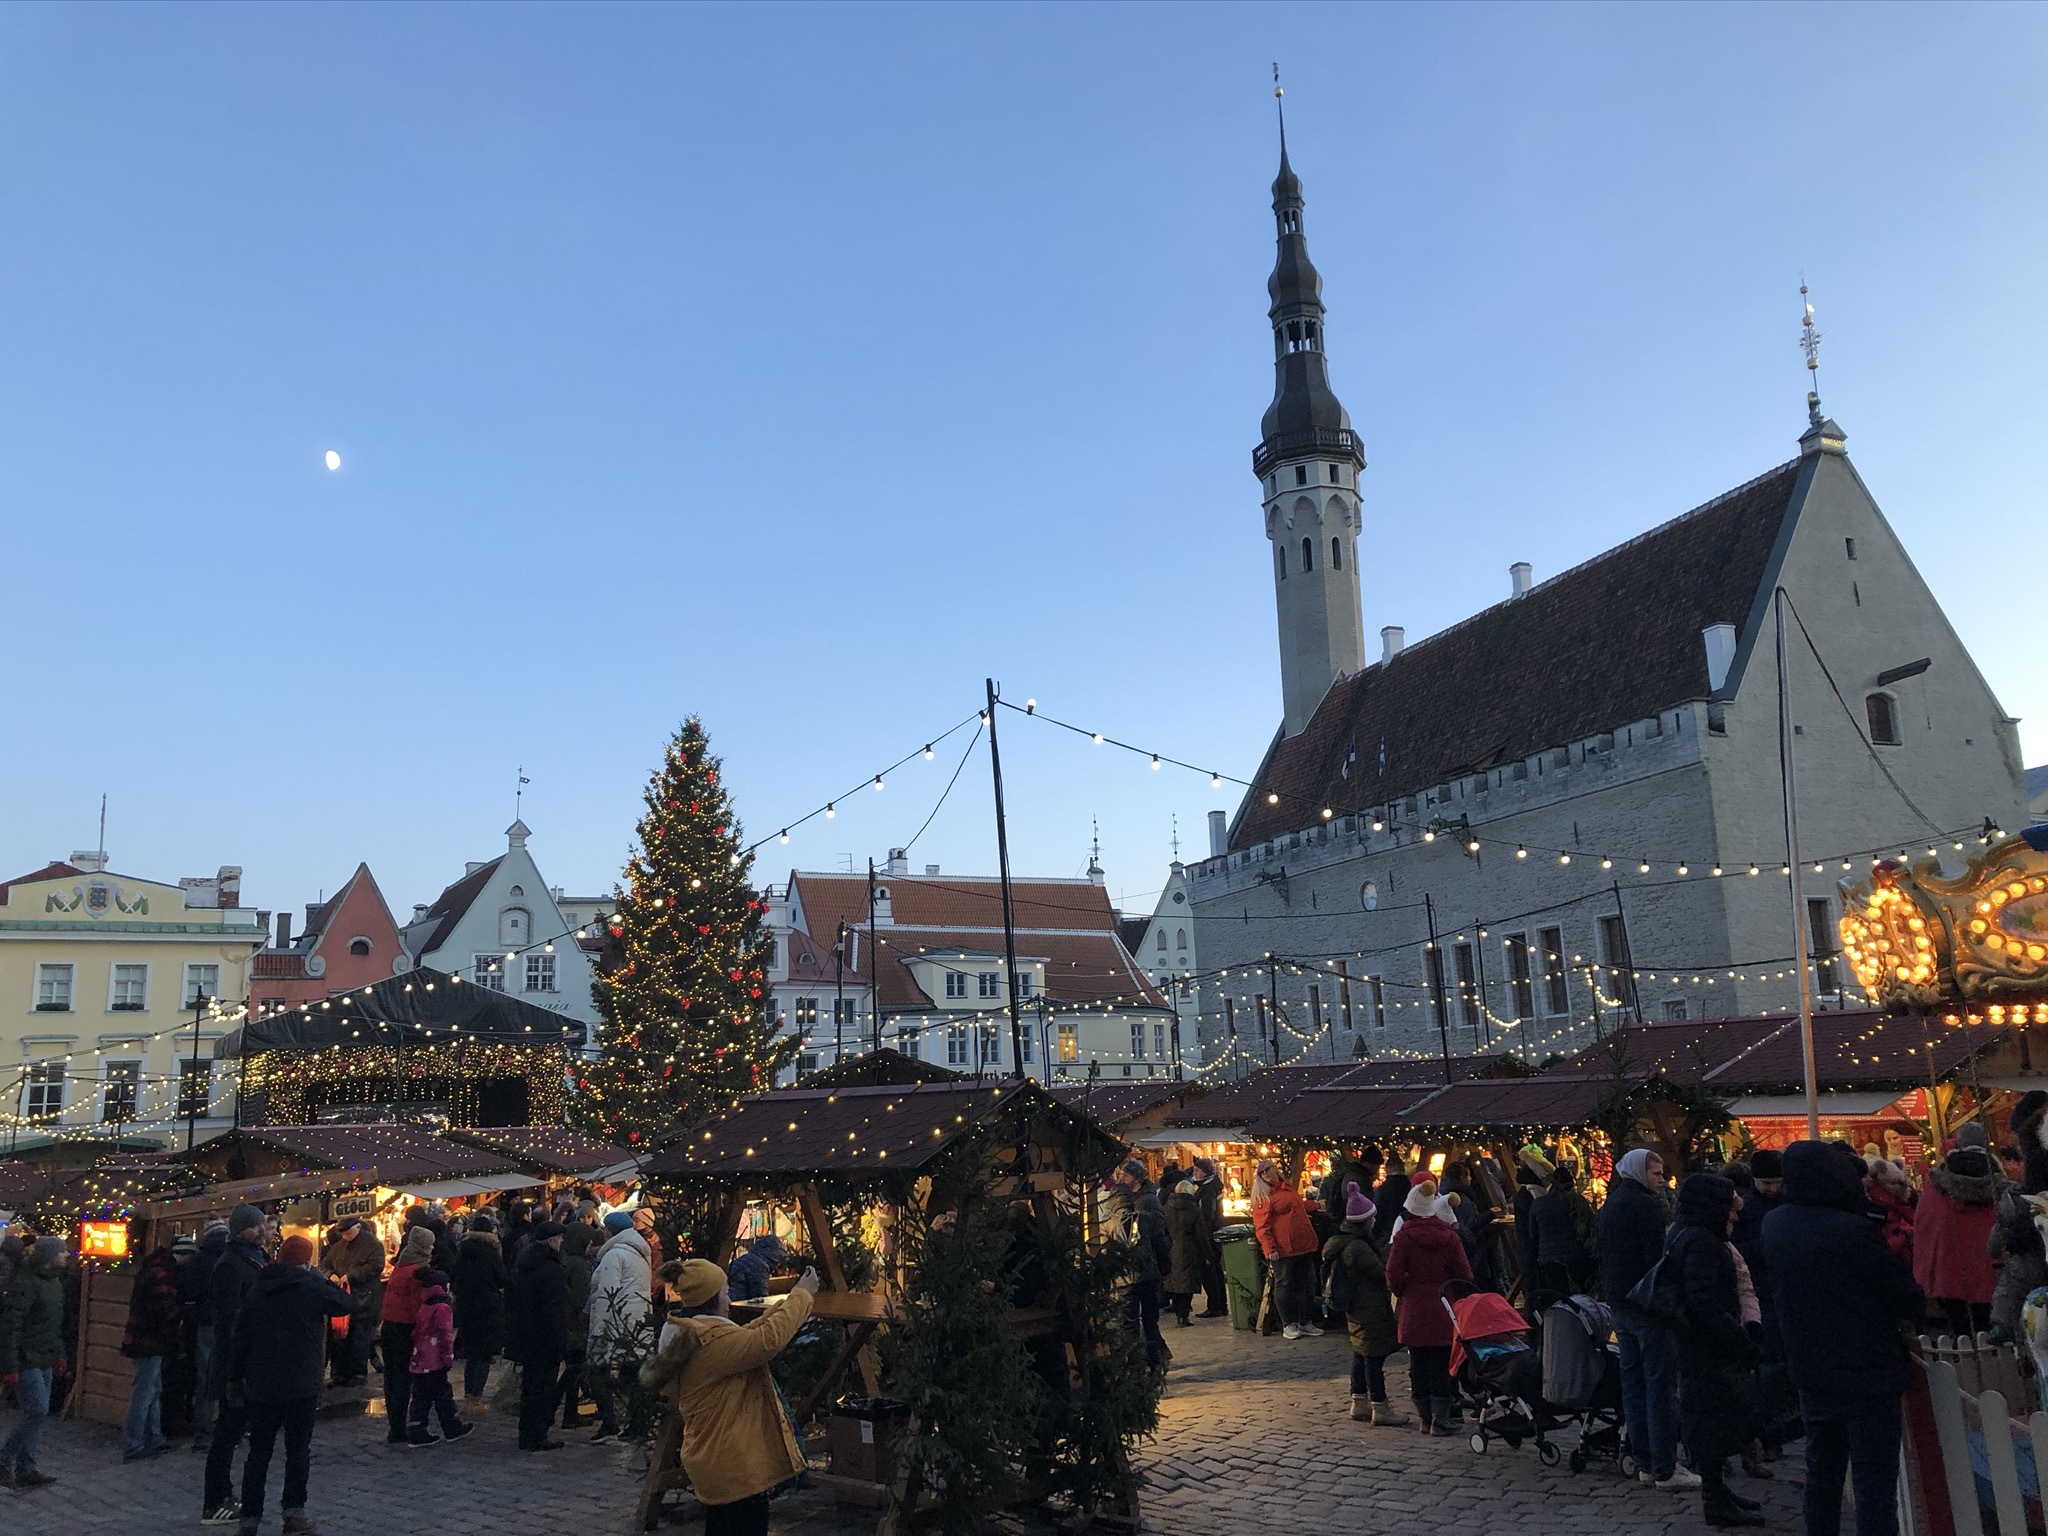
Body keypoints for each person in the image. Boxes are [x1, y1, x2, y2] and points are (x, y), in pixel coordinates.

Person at [1763, 1139, 1925, 1536]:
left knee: (1823, 1469)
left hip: (1810, 1365)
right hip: (1865, 1368)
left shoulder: (1776, 1223)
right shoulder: (1850, 1229)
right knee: (1873, 1482)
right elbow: (1903, 1294)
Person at [643, 1259, 821, 1536]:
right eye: (725, 1293)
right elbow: (765, 1341)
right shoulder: (711, 1341)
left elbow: (746, 1334)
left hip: (713, 1462)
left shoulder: (689, 1333)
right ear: (713, 1299)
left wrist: (784, 1305)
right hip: (734, 1466)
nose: (729, 1299)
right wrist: (802, 1294)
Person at [229, 1233, 352, 1536]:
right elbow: (344, 1303)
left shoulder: (259, 1285)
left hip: (262, 1380)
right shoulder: (311, 1286)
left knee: (258, 1453)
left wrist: (235, 1376)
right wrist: (318, 1277)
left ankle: (250, 1520)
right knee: (298, 1451)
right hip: (300, 1382)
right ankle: (294, 1514)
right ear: (305, 1260)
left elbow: (241, 1335)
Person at [1667, 1173, 1764, 1528]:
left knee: (1715, 1419)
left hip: (1701, 1346)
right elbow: (1702, 1301)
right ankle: (1714, 1499)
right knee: (1710, 1422)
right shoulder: (1701, 1240)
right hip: (1706, 1349)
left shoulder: (1689, 1233)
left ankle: (1719, 1492)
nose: (1735, 1212)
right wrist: (1737, 1339)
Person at [1598, 1147, 1691, 1491]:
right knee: (1658, 1385)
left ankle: (1645, 1462)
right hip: (1645, 1305)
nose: (1661, 1180)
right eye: (1655, 1173)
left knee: (1633, 1385)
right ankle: (1665, 1465)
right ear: (1640, 1172)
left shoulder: (1612, 1203)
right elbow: (1657, 1260)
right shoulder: (1645, 1206)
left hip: (1620, 1303)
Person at [201, 1205, 270, 1524]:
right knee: (227, 1433)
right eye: (254, 1226)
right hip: (233, 1362)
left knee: (234, 1432)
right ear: (240, 1229)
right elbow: (230, 1318)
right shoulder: (230, 1264)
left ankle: (225, 1493)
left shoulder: (255, 1257)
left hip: (250, 1358)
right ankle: (214, 1500)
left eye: (261, 1225)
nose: (261, 1230)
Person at [1385, 1177, 1470, 1433]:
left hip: (1414, 1307)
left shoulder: (1402, 1238)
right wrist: (1455, 1296)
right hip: (1443, 1305)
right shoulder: (1449, 1237)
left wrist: (1404, 1291)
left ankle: (1424, 1417)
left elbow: (1392, 1274)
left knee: (1418, 1363)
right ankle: (1441, 1419)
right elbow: (1464, 1274)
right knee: (1442, 1364)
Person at [1323, 1181, 1408, 1425]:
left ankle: (1358, 1401)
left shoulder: (1341, 1242)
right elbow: (1381, 1274)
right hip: (1368, 1306)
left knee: (1360, 1353)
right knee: (1373, 1356)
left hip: (1355, 1307)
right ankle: (1380, 1407)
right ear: (1365, 1220)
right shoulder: (1358, 1248)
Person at [1914, 1125, 1998, 1336]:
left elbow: (1925, 1225)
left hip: (1947, 1273)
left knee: (1961, 1331)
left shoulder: (1936, 1185)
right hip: (1992, 1275)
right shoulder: (2000, 1185)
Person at [0, 1235, 68, 1492]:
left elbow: (54, 1324)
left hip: (44, 1355)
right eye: (61, 1252)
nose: (66, 1256)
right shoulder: (26, 1283)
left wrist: (59, 1352)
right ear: (50, 1256)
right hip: (25, 1357)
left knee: (38, 1414)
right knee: (37, 1410)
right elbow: (10, 1327)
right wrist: (9, 1365)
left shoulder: (55, 1283)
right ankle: (4, 1459)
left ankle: (27, 1468)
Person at [507, 1221, 569, 1451]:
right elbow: (554, 1309)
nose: (561, 1242)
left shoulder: (524, 1263)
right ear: (552, 1240)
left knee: (530, 1386)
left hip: (527, 1335)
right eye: (559, 1238)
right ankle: (538, 1435)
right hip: (545, 1338)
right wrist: (559, 1340)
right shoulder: (550, 1269)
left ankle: (527, 1433)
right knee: (543, 1387)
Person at [118, 1240, 183, 1461]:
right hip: (150, 1340)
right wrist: (181, 1317)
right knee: (145, 1392)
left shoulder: (150, 1268)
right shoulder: (162, 1274)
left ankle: (153, 1438)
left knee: (152, 1390)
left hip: (141, 1338)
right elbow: (164, 1310)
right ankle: (134, 1444)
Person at [1250, 1158, 1321, 1340]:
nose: (1265, 1173)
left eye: (1267, 1169)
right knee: (1285, 1284)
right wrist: (1270, 1248)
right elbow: (1261, 1226)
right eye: (1261, 1172)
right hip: (1283, 1249)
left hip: (1303, 1245)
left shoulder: (1286, 1187)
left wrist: (1317, 1205)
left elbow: (1298, 1205)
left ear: (1274, 1169)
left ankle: (1305, 1322)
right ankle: (1288, 1324)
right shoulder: (1263, 1196)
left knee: (1307, 1283)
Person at [377, 1225, 435, 1445]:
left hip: (390, 1325)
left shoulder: (401, 1264)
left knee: (391, 1377)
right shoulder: (417, 1271)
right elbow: (416, 1306)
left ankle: (395, 1423)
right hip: (405, 1328)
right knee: (403, 1378)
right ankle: (400, 1427)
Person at [1114, 1159, 1173, 1367]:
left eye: (1125, 1175)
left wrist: (1162, 1265)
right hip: (1142, 1271)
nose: (1121, 1178)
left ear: (1136, 1178)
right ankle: (1153, 1362)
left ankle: (1151, 1365)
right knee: (1145, 1322)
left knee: (1145, 1323)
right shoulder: (1136, 1199)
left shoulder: (1146, 1201)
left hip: (1144, 1270)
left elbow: (1158, 1236)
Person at [406, 1270, 472, 1447]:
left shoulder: (424, 1305)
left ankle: (416, 1429)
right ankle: (452, 1427)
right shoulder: (443, 1307)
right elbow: (445, 1335)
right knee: (443, 1394)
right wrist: (448, 1357)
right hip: (434, 1359)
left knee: (420, 1395)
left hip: (419, 1358)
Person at [450, 1210, 507, 1407]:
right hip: (487, 1306)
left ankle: (468, 1393)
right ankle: (476, 1396)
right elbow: (501, 1278)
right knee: (484, 1353)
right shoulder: (491, 1252)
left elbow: (455, 1279)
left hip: (466, 1305)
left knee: (473, 1353)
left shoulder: (463, 1251)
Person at [319, 1217, 383, 1387]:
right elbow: (325, 1264)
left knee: (359, 1337)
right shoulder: (339, 1247)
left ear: (358, 1228)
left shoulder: (373, 1245)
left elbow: (376, 1266)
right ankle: (338, 1372)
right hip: (342, 1298)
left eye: (348, 1233)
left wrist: (352, 1275)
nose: (346, 1236)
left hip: (364, 1298)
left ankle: (357, 1373)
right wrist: (330, 1274)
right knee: (339, 1338)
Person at [1527, 1158, 1597, 1300]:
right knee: (1580, 1299)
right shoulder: (1577, 1202)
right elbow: (1588, 1232)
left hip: (1549, 1259)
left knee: (1557, 1298)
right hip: (1576, 1258)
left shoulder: (1539, 1204)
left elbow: (1533, 1235)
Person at [188, 1221, 229, 1452]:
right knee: (227, 1376)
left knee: (204, 1380)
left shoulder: (198, 1260)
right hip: (225, 1323)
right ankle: (226, 1427)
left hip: (205, 1324)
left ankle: (203, 1432)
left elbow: (191, 1294)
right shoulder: (231, 1258)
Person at [556, 1220, 600, 1429]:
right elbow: (581, 1298)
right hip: (575, 1325)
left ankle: (566, 1411)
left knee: (573, 1369)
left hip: (564, 1323)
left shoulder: (564, 1259)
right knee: (575, 1370)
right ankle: (565, 1411)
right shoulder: (580, 1265)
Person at [1162, 1179, 1209, 1326]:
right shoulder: (1193, 1209)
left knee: (1175, 1282)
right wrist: (1208, 1254)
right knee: (1187, 1283)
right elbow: (1201, 1234)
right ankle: (1183, 1316)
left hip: (1171, 1247)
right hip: (1189, 1248)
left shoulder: (1166, 1207)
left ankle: (1178, 1313)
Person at [1189, 1158, 1229, 1318]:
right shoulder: (1211, 1186)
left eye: (1197, 1170)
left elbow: (1207, 1214)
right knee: (1215, 1269)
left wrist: (1202, 1233)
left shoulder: (1207, 1190)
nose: (1194, 1174)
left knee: (1209, 1270)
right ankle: (1220, 1304)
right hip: (1213, 1233)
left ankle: (1215, 1305)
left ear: (1205, 1172)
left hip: (1207, 1236)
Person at [724, 1233, 783, 1303]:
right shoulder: (760, 1266)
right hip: (738, 1305)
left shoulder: (746, 1258)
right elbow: (760, 1295)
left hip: (726, 1299)